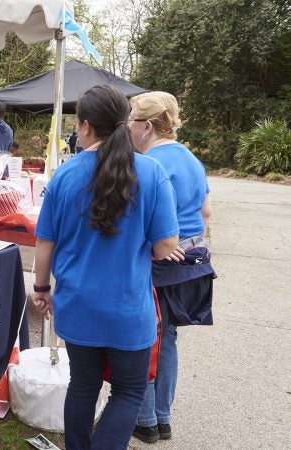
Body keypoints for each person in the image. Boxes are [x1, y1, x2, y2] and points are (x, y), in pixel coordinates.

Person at [31, 85, 179, 450]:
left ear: (84, 126)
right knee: (128, 392)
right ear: (125, 124)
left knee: (83, 386)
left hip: (78, 307)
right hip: (129, 310)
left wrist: (41, 289)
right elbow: (165, 247)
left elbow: (44, 242)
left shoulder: (64, 176)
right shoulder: (151, 172)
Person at [128, 91, 215, 444]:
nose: (128, 126)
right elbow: (206, 212)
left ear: (147, 126)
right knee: (168, 339)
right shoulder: (190, 158)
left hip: (161, 260)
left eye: (132, 119)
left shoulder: (149, 164)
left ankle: (146, 420)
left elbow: (138, 220)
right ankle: (161, 417)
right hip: (192, 262)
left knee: (147, 338)